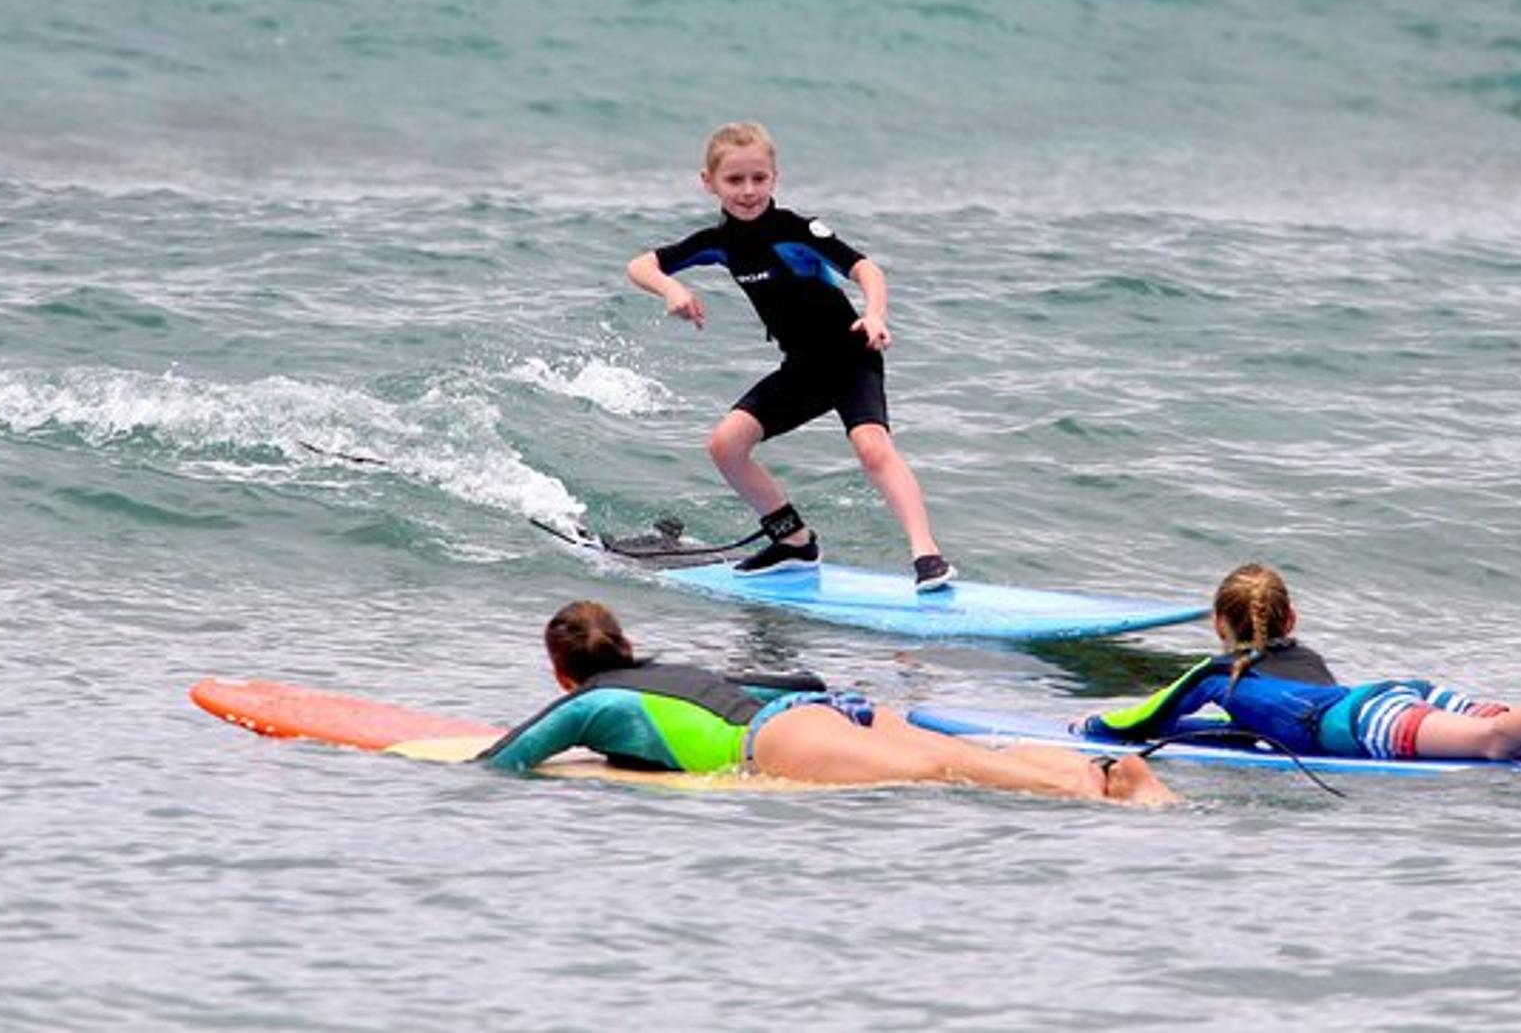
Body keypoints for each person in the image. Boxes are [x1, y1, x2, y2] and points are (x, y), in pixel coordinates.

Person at [627, 120, 954, 590]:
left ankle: (928, 557)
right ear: (709, 183)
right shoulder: (719, 244)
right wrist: (671, 289)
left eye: (759, 178)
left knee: (871, 447)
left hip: (850, 355)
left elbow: (866, 268)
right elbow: (640, 264)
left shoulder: (797, 230)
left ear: (774, 179)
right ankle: (795, 542)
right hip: (802, 369)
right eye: (734, 180)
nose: (747, 190)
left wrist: (875, 315)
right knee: (726, 446)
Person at [478, 601, 1177, 805]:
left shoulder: (586, 703)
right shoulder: (672, 669)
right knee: (960, 754)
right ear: (626, 643)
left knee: (942, 772)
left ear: (560, 668)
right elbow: (792, 683)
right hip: (815, 713)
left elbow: (508, 758)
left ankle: (1097, 784)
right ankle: (1102, 772)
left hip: (773, 746)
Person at [1078, 563, 1521, 767]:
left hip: (1360, 718)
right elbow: (1248, 732)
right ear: (1292, 621)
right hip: (1394, 693)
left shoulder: (1214, 675)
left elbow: (1136, 719)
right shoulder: (1295, 660)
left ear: (1221, 628)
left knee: (1495, 740)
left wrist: (1086, 727)